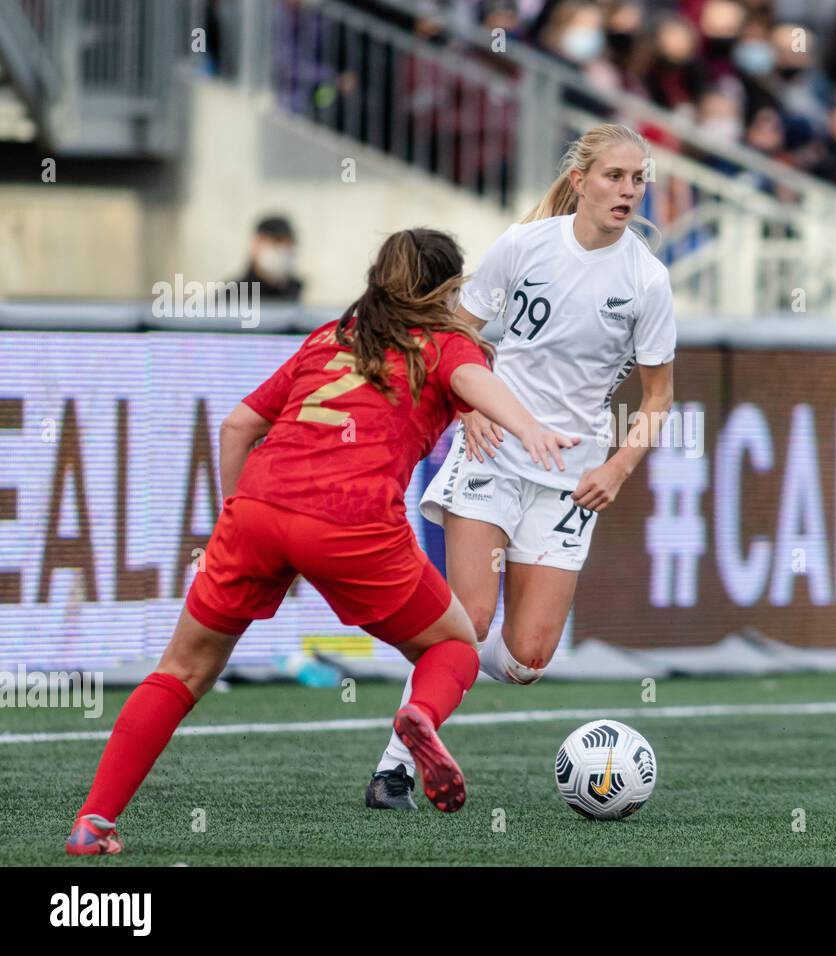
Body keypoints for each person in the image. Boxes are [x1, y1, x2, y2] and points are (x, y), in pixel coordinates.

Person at [66, 229, 577, 855]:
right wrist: (531, 427)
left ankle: (94, 819)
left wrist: (232, 517)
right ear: (447, 291)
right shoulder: (445, 345)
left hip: (258, 510)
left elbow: (237, 426)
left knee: (180, 672)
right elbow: (475, 382)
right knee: (454, 644)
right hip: (351, 521)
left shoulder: (329, 337)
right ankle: (418, 717)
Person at [365, 123, 677, 810]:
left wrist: (620, 467)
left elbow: (658, 399)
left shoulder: (647, 282)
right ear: (580, 179)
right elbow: (459, 337)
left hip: (571, 478)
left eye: (638, 179)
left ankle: (428, 700)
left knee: (528, 659)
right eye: (615, 176)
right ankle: (395, 767)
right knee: (467, 622)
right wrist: (470, 408)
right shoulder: (523, 246)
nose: (628, 190)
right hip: (495, 456)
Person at [234, 215, 304, 302]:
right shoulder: (234, 293)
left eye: (289, 244)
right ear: (256, 244)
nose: (284, 249)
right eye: (277, 241)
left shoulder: (296, 291)